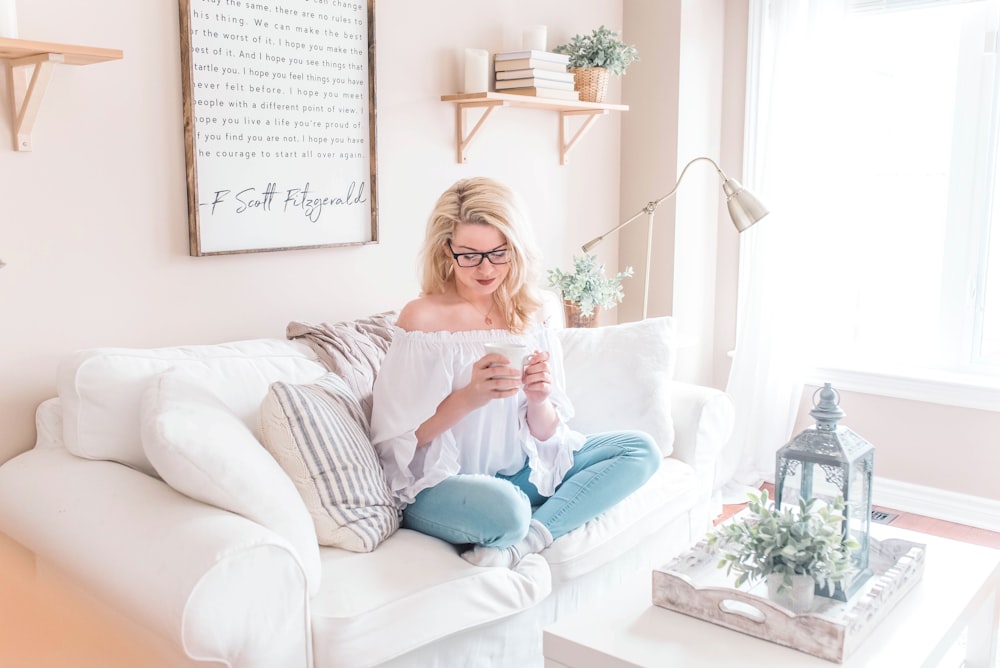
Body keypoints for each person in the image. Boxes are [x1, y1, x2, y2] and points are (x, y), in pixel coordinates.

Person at [370, 176, 660, 568]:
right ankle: (526, 520)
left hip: (519, 473)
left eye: (499, 253)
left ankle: (529, 540)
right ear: (446, 251)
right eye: (469, 255)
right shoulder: (422, 319)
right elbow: (394, 444)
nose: (486, 268)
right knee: (507, 510)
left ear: (516, 249)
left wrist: (540, 399)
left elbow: (546, 434)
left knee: (638, 449)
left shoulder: (533, 313)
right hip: (440, 488)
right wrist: (469, 397)